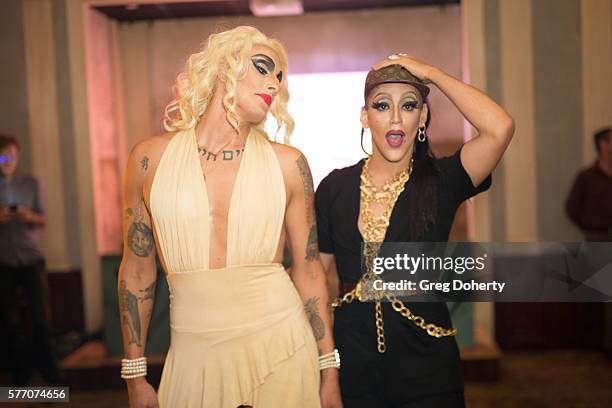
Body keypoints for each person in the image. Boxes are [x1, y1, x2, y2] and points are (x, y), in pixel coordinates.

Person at [117, 26, 342, 408]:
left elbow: (309, 271)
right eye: (262, 68)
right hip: (193, 354)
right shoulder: (148, 160)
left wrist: (329, 370)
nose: (274, 82)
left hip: (282, 344)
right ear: (224, 69)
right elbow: (137, 270)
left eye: (279, 76)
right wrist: (135, 376)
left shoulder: (289, 164)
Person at [316, 56, 514, 407]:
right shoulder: (334, 187)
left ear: (422, 118)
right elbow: (321, 278)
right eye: (381, 105)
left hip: (427, 366)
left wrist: (432, 74)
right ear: (365, 116)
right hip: (353, 362)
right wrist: (327, 369)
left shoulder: (442, 181)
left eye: (409, 105)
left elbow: (500, 127)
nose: (395, 118)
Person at [0, 134, 61, 386]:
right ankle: (20, 375)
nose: (7, 161)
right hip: (3, 260)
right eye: (3, 156)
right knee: (9, 320)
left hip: (31, 258)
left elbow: (43, 219)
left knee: (40, 318)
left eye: (11, 155)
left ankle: (51, 373)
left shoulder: (31, 183)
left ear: (18, 155)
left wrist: (26, 216)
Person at [566, 127, 612, 242]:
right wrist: (589, 225)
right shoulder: (587, 177)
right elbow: (572, 208)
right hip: (598, 237)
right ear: (603, 144)